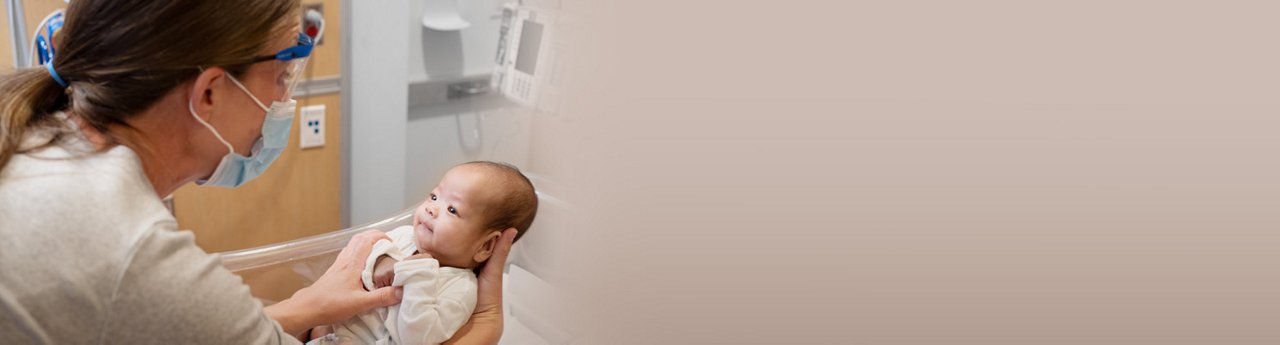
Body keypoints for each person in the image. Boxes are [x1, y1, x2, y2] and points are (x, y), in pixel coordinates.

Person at [0, 0, 509, 343]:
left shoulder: (41, 145)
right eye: (282, 74)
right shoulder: (130, 249)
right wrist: (483, 325)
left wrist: (309, 304)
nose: (282, 100)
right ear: (210, 94)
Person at [309, 161, 537, 345]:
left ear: (485, 246)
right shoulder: (405, 236)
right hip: (335, 332)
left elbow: (417, 338)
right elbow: (362, 260)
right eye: (434, 196)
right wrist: (381, 261)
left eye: (452, 209)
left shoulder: (461, 289)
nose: (431, 207)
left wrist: (417, 274)